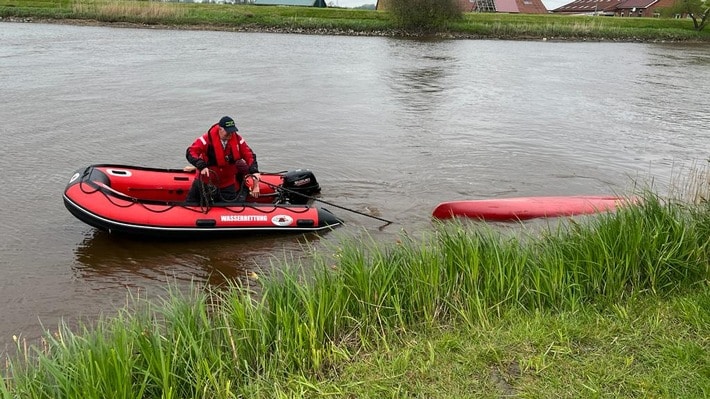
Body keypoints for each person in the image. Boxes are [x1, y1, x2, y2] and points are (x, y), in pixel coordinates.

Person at [185, 116, 260, 204]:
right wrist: (200, 165)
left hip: (227, 183)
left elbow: (249, 155)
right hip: (205, 181)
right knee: (191, 203)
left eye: (232, 131)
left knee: (231, 208)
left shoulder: (238, 140)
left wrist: (254, 171)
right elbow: (191, 152)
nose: (230, 134)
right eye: (228, 132)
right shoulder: (206, 140)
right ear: (220, 129)